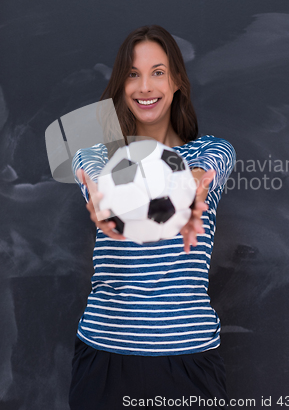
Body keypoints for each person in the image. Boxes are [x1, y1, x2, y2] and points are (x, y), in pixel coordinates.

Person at [68, 25, 236, 409]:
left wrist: (190, 181)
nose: (145, 86)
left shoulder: (210, 153)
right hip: (105, 358)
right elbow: (92, 171)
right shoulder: (99, 157)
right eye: (132, 73)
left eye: (157, 72)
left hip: (190, 362)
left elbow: (209, 167)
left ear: (177, 81)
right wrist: (101, 191)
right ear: (120, 85)